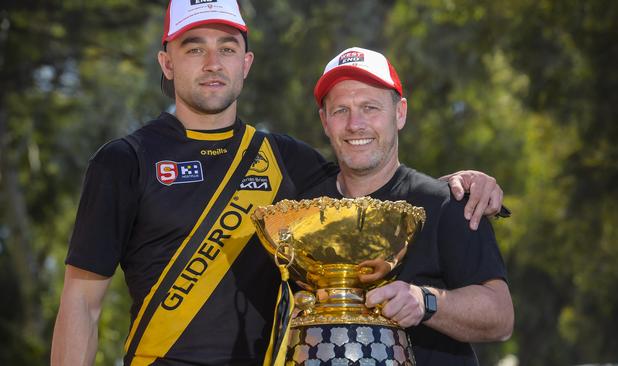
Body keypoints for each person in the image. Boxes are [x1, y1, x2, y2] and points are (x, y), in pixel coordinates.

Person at [50, 2, 506, 365]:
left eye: (227, 48)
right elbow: (82, 305)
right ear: (166, 63)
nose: (212, 63)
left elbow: (369, 174)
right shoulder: (123, 161)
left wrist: (461, 183)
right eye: (194, 48)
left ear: (246, 62)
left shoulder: (288, 159)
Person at [299, 47, 515, 364]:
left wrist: (425, 301)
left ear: (400, 113)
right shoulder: (302, 214)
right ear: (324, 121)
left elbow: (501, 316)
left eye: (370, 107)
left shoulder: (447, 203)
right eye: (341, 110)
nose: (355, 124)